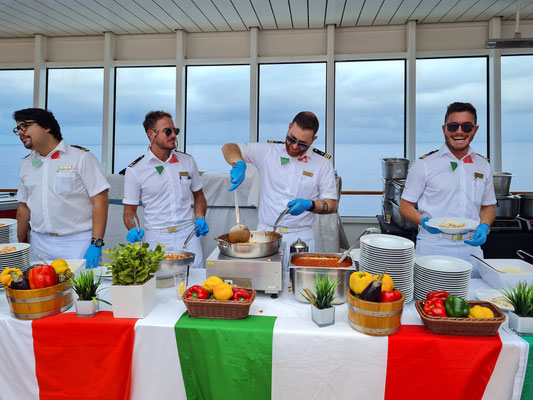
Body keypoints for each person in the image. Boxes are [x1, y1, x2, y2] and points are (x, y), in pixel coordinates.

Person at [222, 111, 338, 268]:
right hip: (265, 236)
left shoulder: (322, 163)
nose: (295, 146)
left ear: (313, 140)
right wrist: (238, 163)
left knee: (299, 288)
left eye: (303, 143)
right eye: (291, 138)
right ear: (289, 127)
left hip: (301, 238)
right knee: (263, 285)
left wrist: (310, 205)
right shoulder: (268, 151)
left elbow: (331, 205)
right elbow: (229, 147)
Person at [399, 102, 496, 277]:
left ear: (475, 129)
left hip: (471, 247)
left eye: (466, 126)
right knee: (430, 299)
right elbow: (405, 206)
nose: (459, 132)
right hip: (433, 245)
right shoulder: (424, 165)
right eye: (453, 126)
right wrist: (423, 221)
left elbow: (488, 206)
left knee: (471, 299)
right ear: (444, 129)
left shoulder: (483, 165)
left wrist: (484, 227)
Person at [14, 108, 110, 268]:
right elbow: (24, 207)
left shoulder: (81, 158)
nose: (20, 132)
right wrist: (15, 246)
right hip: (39, 244)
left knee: (80, 292)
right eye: (18, 128)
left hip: (77, 243)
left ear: (47, 127)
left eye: (25, 126)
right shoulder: (26, 163)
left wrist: (96, 243)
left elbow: (100, 199)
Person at [122, 111, 208, 269]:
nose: (174, 135)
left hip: (188, 235)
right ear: (151, 134)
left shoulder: (187, 161)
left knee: (196, 284)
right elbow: (129, 211)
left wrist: (200, 216)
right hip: (156, 238)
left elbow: (199, 195)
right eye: (167, 131)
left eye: (175, 130)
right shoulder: (135, 170)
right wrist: (133, 227)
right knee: (158, 287)